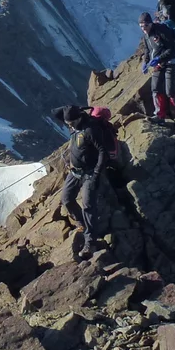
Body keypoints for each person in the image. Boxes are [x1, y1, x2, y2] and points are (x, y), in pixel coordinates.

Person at [52, 105, 110, 261]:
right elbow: (55, 112)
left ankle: (90, 241)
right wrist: (70, 109)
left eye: (71, 123)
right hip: (75, 171)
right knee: (66, 199)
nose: (69, 125)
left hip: (90, 172)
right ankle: (82, 224)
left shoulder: (90, 130)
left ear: (78, 119)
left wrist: (96, 174)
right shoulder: (74, 124)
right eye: (67, 123)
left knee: (88, 205)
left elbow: (102, 152)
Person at [139, 12, 175, 124]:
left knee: (170, 90)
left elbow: (171, 49)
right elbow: (147, 50)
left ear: (151, 23)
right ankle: (159, 115)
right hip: (158, 65)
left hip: (171, 62)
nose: (144, 28)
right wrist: (145, 62)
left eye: (145, 25)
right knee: (155, 88)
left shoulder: (161, 31)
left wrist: (159, 58)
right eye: (141, 26)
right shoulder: (146, 36)